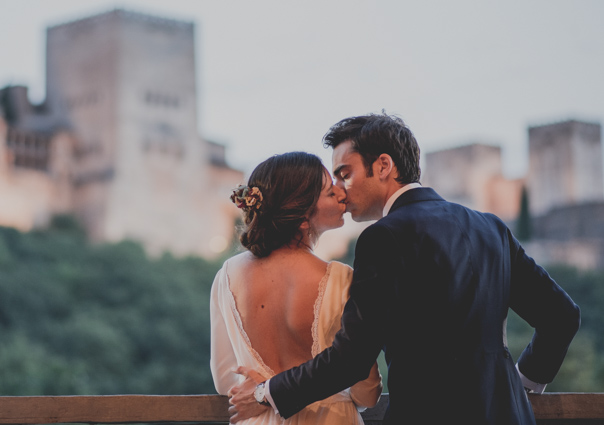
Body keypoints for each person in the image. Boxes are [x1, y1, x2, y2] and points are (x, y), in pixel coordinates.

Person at [229, 114, 581, 425]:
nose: (340, 189)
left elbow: (350, 360)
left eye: (345, 173)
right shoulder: (491, 227)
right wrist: (522, 384)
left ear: (383, 166)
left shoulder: (383, 237)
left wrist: (265, 392)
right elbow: (561, 316)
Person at [211, 151, 382, 425]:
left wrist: (262, 392)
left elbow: (224, 381)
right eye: (329, 193)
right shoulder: (341, 278)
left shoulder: (226, 276)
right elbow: (367, 393)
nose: (342, 193)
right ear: (302, 218)